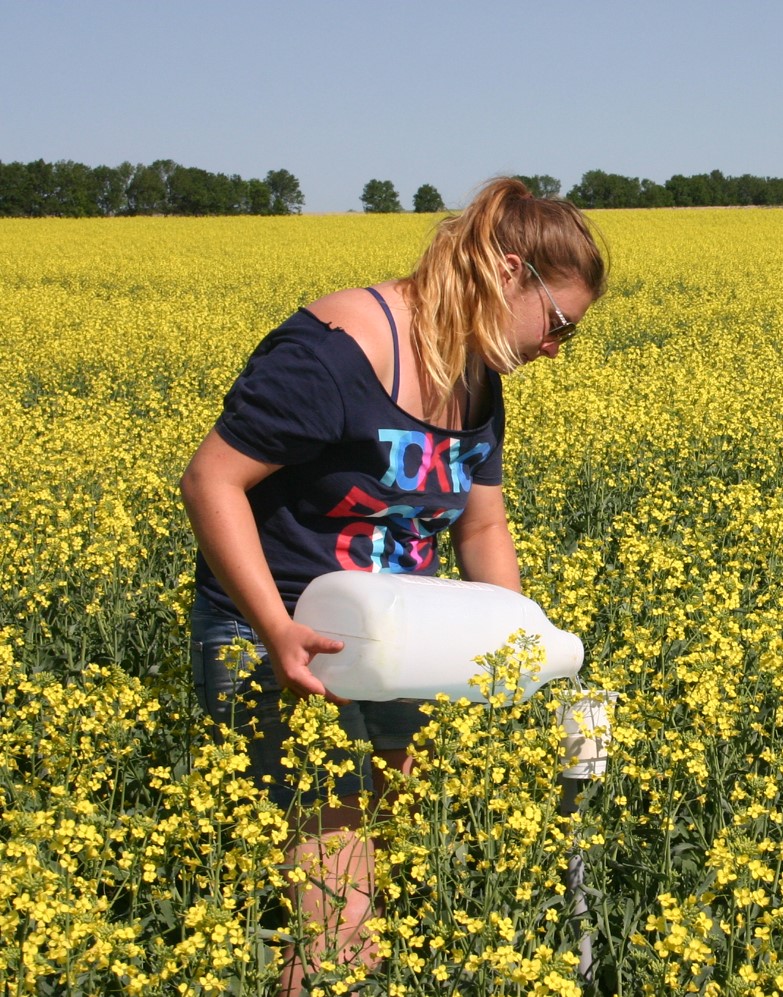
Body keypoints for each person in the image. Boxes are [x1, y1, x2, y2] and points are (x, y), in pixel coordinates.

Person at [179, 176, 606, 993]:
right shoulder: (337, 354)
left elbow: (480, 527)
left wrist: (513, 652)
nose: (556, 349)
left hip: (392, 643)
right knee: (339, 919)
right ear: (509, 272)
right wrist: (276, 629)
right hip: (283, 637)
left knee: (394, 852)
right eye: (558, 325)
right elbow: (210, 481)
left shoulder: (480, 377)